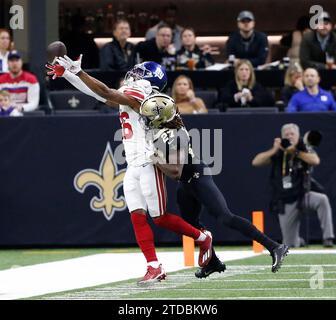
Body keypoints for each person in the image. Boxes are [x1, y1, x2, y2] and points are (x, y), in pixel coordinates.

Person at [46, 58, 213, 285]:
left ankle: (203, 238)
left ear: (149, 78)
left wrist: (80, 71)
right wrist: (68, 74)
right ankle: (153, 266)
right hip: (133, 162)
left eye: (141, 71)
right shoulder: (131, 93)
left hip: (148, 160)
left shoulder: (144, 92)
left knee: (160, 217)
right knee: (136, 215)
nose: (134, 73)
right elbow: (98, 94)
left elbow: (105, 91)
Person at [139, 93, 289, 277]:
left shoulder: (175, 134)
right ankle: (213, 262)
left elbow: (175, 172)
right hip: (186, 182)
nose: (146, 120)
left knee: (225, 216)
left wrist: (153, 158)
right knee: (191, 225)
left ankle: (275, 246)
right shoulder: (167, 125)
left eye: (150, 116)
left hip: (195, 176)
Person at [252, 123, 334, 248]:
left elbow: (315, 160)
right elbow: (256, 162)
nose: (289, 136)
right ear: (282, 137)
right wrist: (274, 149)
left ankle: (328, 237)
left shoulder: (303, 148)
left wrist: (295, 152)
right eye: (286, 134)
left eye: (292, 134)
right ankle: (298, 241)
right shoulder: (278, 153)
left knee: (322, 200)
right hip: (286, 200)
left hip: (303, 196)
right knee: (290, 244)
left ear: (298, 136)